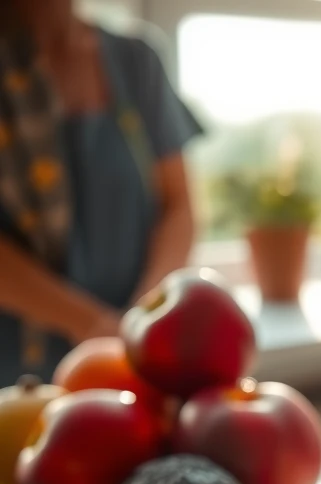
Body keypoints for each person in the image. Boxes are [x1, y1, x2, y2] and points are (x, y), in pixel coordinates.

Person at [0, 0, 201, 386]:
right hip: (15, 370)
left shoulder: (135, 61)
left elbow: (179, 208)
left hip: (128, 351)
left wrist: (143, 316)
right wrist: (93, 325)